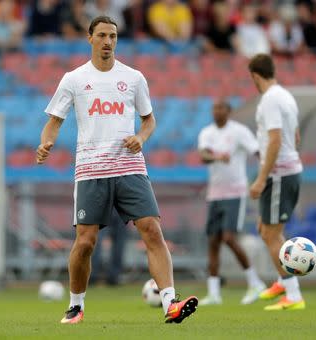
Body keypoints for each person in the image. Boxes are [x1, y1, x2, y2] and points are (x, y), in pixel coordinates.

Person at [36, 16, 198, 324]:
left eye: (112, 36)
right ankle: (76, 305)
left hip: (129, 167)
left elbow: (149, 120)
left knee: (151, 228)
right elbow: (54, 121)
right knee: (85, 243)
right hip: (91, 170)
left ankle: (170, 304)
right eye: (102, 35)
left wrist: (140, 137)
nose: (108, 41)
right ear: (90, 39)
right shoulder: (73, 79)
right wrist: (46, 144)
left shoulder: (134, 78)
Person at [248, 54, 305, 311]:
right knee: (264, 228)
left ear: (255, 76)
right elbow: (296, 135)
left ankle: (293, 295)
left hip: (279, 175)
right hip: (283, 171)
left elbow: (275, 140)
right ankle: (284, 280)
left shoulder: (270, 99)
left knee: (271, 234)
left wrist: (261, 179)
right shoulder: (286, 96)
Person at [197, 99, 266, 306]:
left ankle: (255, 282)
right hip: (214, 194)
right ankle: (214, 293)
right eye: (214, 108)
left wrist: (265, 169)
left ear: (229, 111)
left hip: (235, 193)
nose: (217, 111)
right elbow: (203, 155)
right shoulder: (207, 132)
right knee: (213, 241)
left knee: (228, 237)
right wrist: (218, 156)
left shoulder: (239, 132)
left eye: (220, 108)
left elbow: (256, 150)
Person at [89, 209, 127, 286]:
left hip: (116, 207)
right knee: (96, 242)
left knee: (118, 244)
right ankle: (93, 275)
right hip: (110, 206)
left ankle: (112, 276)